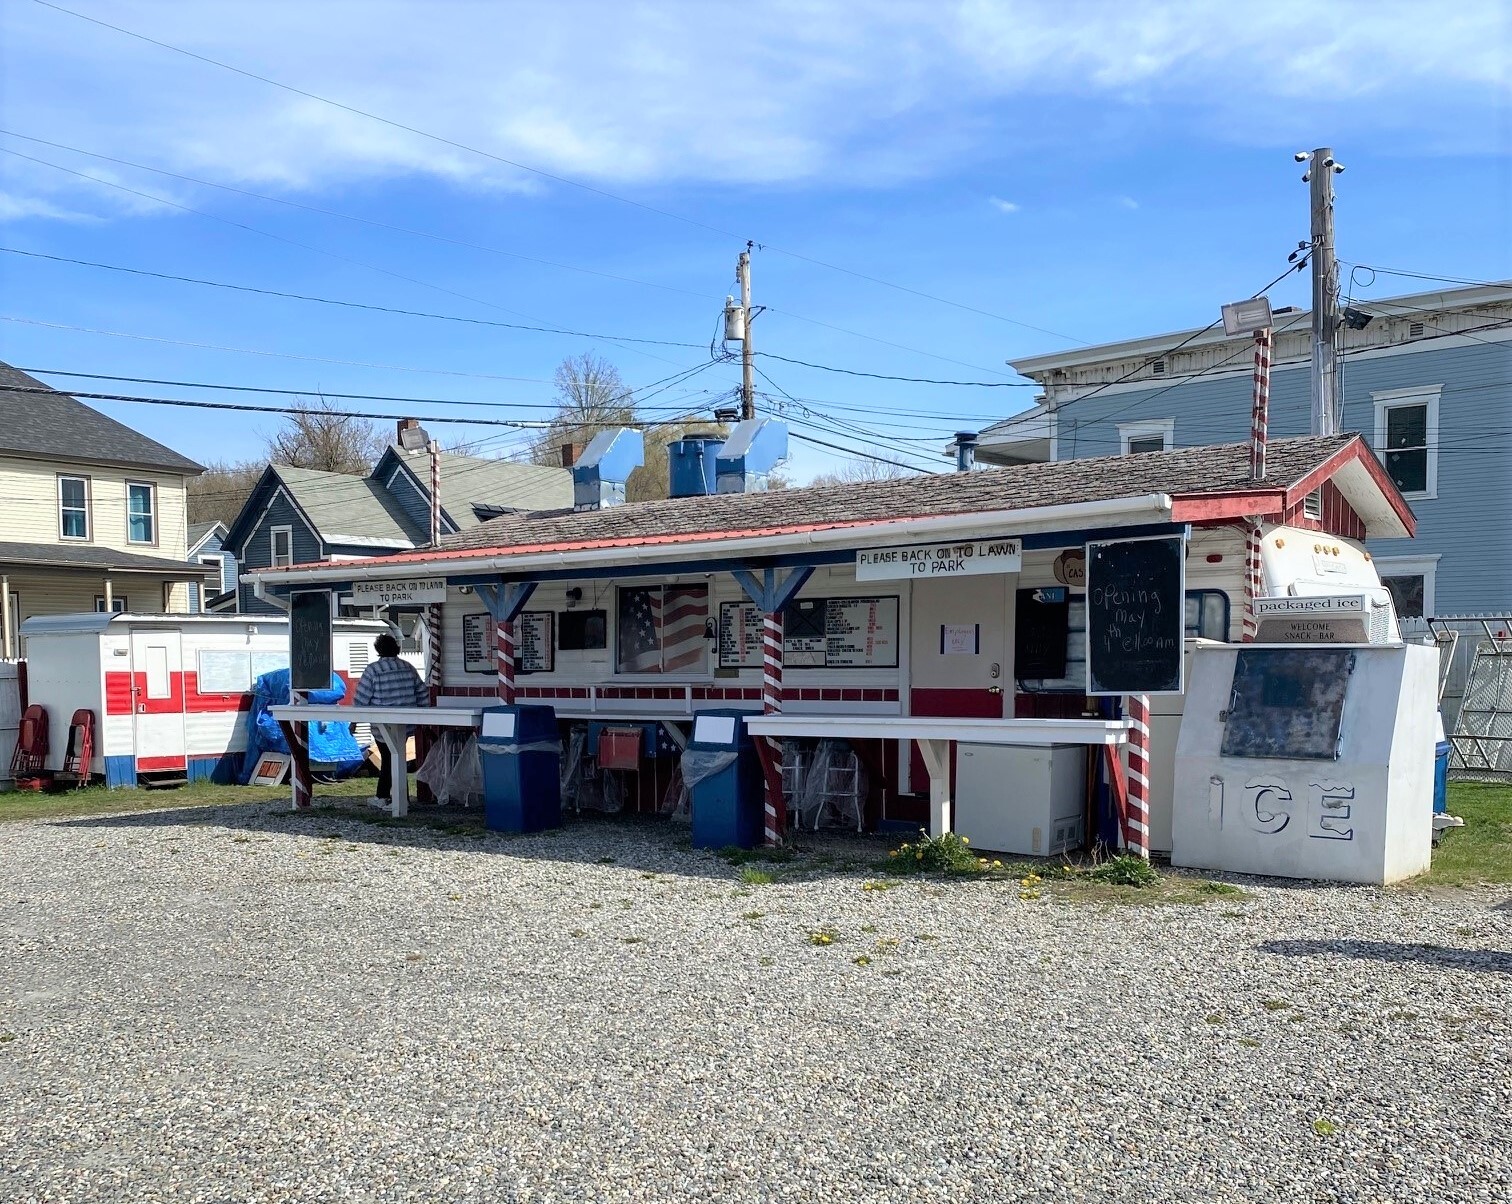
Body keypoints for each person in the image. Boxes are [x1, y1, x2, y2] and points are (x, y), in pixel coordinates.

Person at [353, 633, 429, 808]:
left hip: (383, 724)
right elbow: (422, 693)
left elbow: (361, 698)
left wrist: (354, 721)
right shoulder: (408, 667)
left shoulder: (373, 670)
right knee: (395, 758)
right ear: (397, 648)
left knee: (389, 758)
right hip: (406, 723)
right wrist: (424, 716)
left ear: (378, 650)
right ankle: (397, 797)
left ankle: (388, 798)